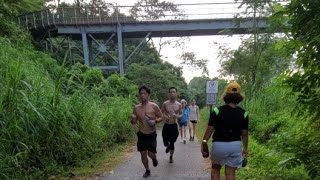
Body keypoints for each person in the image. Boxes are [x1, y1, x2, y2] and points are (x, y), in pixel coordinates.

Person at [201, 81, 249, 180]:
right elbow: (244, 134)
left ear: (226, 95)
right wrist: (245, 148)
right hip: (235, 146)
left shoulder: (217, 111)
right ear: (239, 96)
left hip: (219, 145)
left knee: (215, 169)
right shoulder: (244, 113)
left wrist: (204, 142)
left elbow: (209, 130)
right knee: (230, 173)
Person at [131, 85, 163, 178]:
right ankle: (147, 170)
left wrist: (155, 121)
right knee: (143, 154)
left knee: (151, 154)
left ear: (148, 95)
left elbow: (161, 117)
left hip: (151, 134)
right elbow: (133, 123)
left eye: (144, 93)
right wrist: (132, 119)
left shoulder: (154, 106)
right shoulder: (136, 108)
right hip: (141, 134)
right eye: (141, 94)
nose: (142, 95)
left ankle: (154, 158)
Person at [161, 87, 183, 163]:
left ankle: (171, 157)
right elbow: (161, 112)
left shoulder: (179, 104)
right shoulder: (165, 103)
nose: (172, 93)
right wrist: (165, 116)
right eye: (171, 92)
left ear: (176, 93)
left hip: (174, 126)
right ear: (169, 94)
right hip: (166, 125)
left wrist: (177, 116)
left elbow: (181, 114)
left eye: (174, 92)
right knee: (166, 142)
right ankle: (167, 146)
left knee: (172, 142)